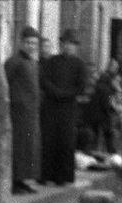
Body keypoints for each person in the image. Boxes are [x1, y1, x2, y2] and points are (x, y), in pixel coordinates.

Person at [39, 29, 87, 185]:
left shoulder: (80, 65)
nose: (68, 47)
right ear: (61, 45)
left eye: (72, 44)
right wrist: (55, 92)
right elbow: (44, 81)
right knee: (49, 140)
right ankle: (45, 176)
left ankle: (62, 177)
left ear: (75, 47)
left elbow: (81, 86)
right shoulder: (51, 62)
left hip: (68, 108)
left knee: (65, 142)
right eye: (66, 43)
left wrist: (66, 95)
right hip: (51, 107)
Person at [4, 26, 41, 194]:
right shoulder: (14, 62)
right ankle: (14, 182)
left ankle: (22, 179)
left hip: (31, 112)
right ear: (21, 43)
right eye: (28, 42)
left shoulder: (32, 62)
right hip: (18, 112)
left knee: (29, 147)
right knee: (18, 146)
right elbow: (5, 84)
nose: (31, 46)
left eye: (34, 43)